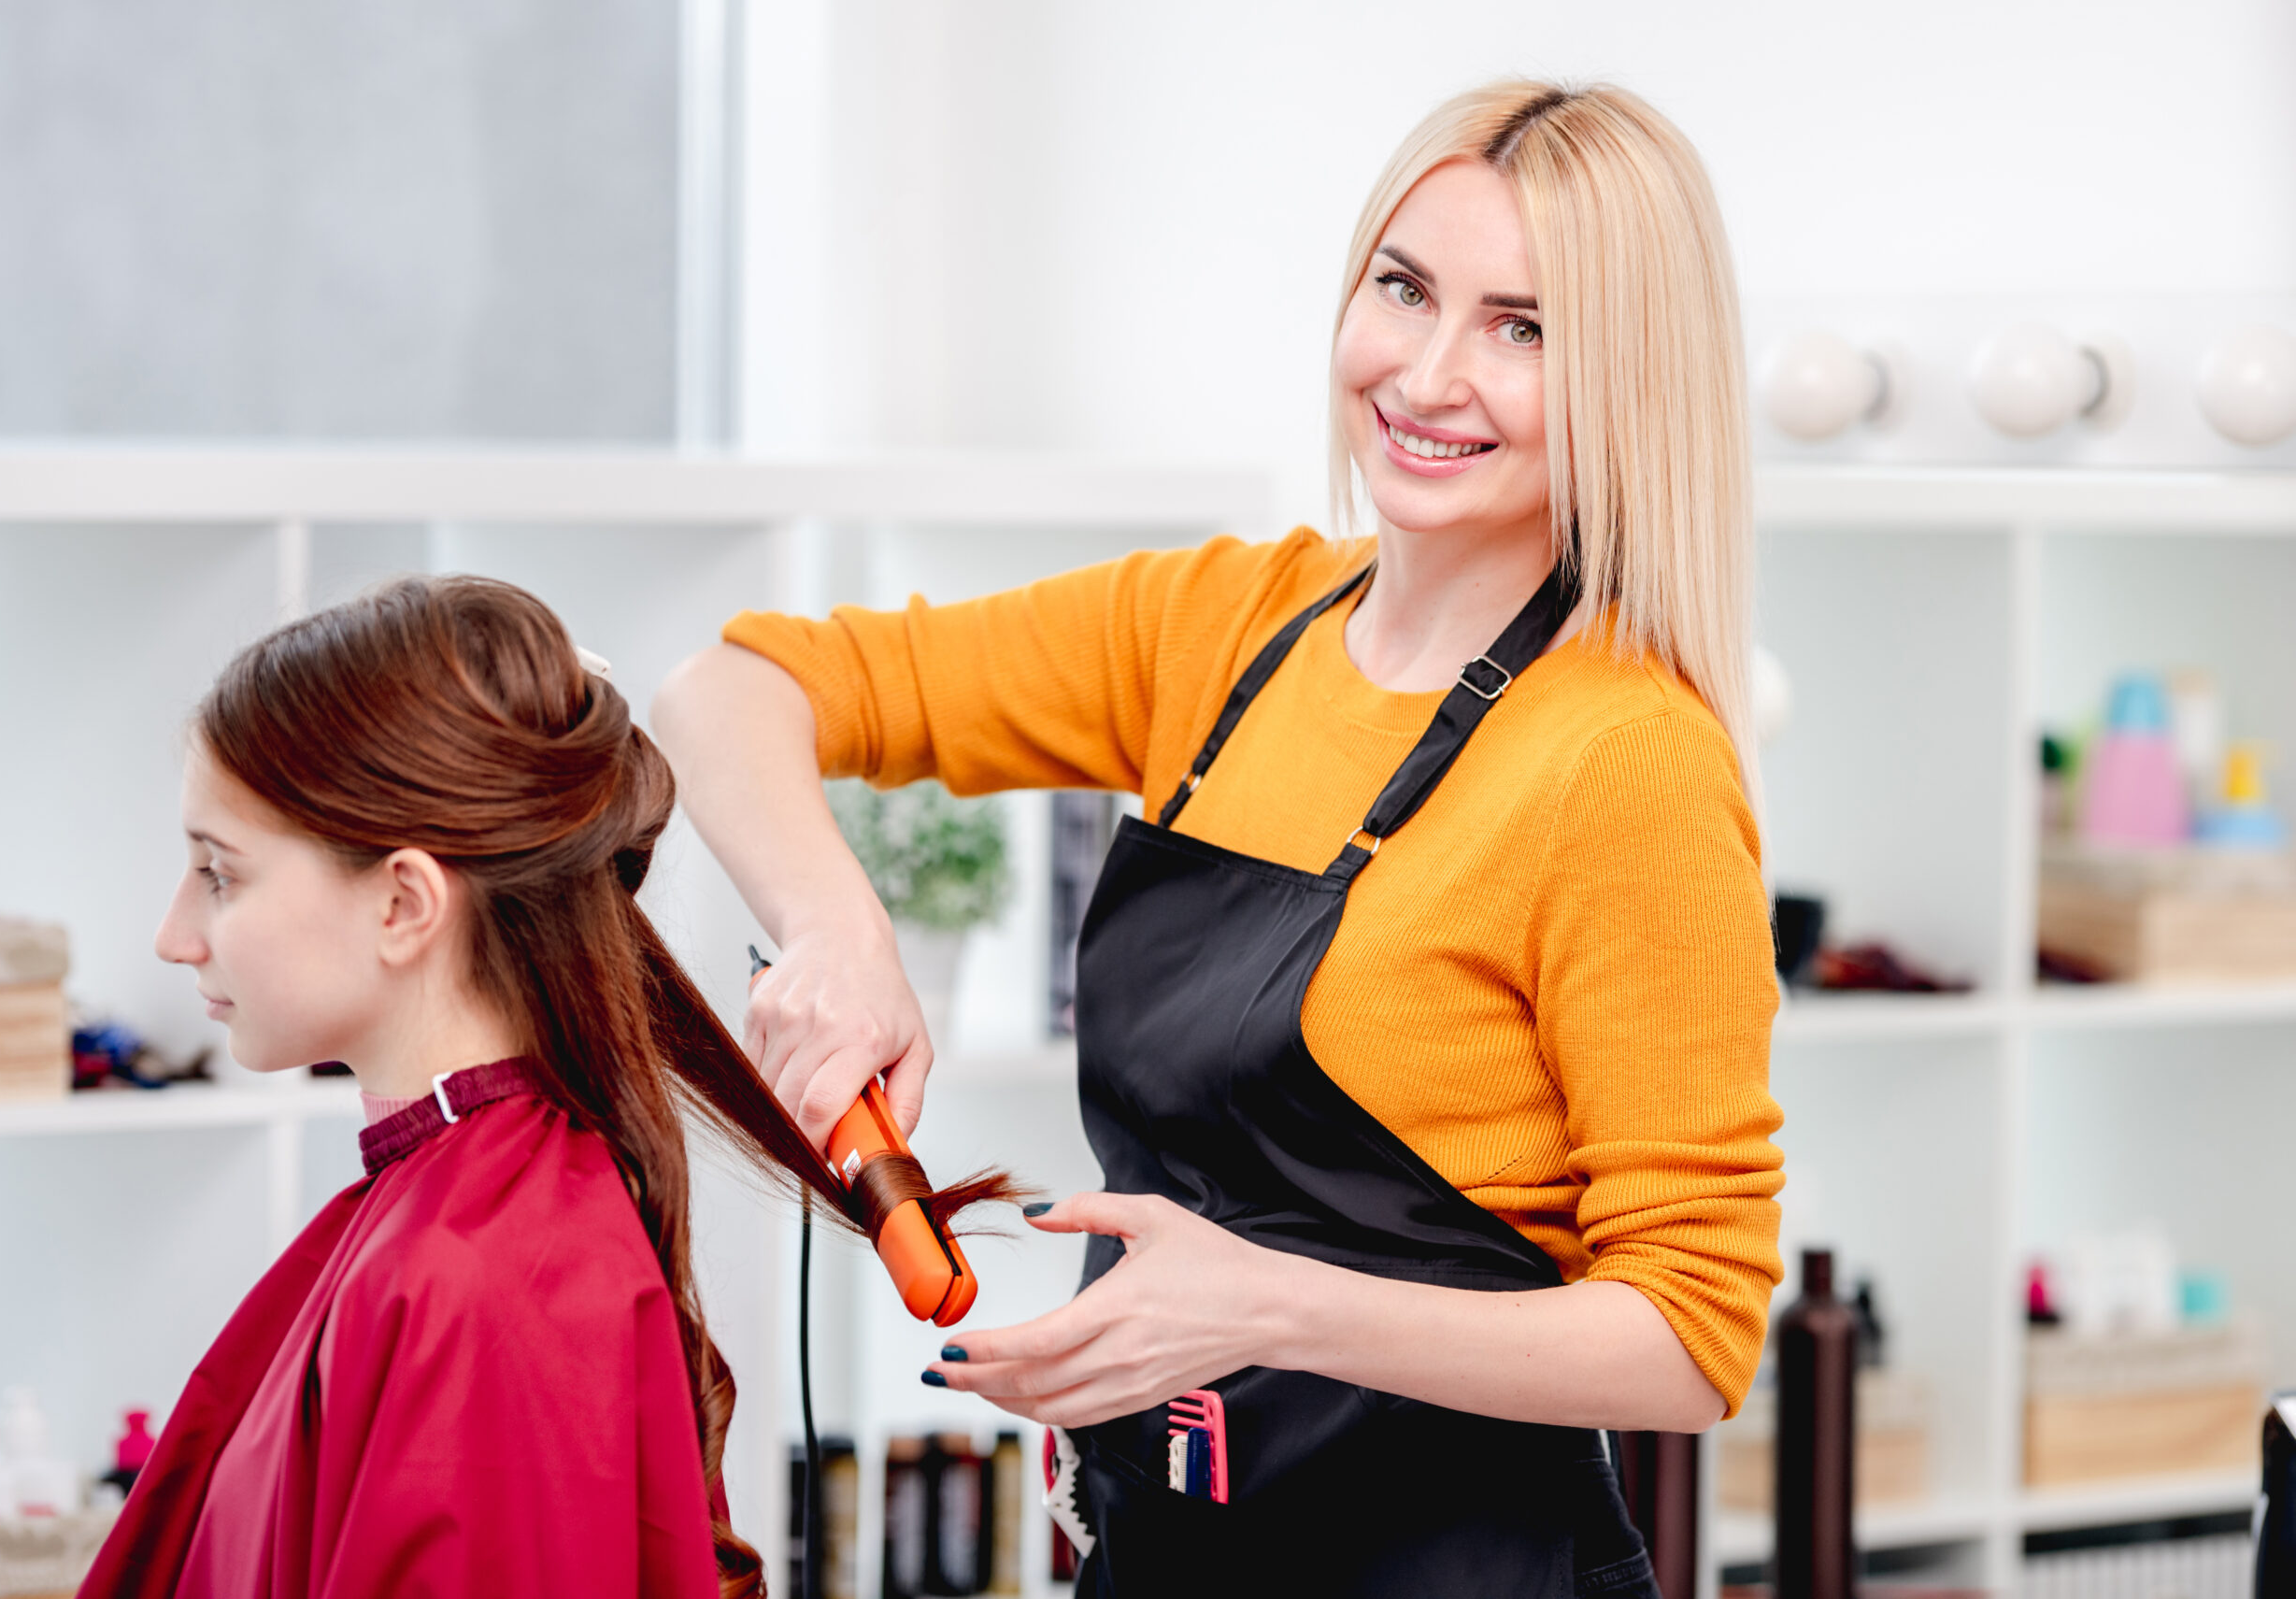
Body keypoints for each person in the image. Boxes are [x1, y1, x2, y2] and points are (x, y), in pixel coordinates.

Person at [655, 79, 1783, 1598]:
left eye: (1523, 328)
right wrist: (837, 929)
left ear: (1627, 380)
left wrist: (1273, 1307)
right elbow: (727, 690)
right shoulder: (1227, 624)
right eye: (1404, 288)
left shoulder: (1627, 760)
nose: (1427, 374)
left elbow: (1694, 1337)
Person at [82, 576, 1005, 1599]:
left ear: (403, 903)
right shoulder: (466, 1226)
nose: (174, 936)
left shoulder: (482, 1285)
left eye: (219, 874)